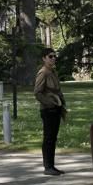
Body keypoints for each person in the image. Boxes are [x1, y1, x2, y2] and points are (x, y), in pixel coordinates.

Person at [34, 47, 67, 175]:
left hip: (56, 109)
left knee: (53, 138)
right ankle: (47, 167)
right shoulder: (43, 72)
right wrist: (51, 103)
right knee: (48, 138)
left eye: (54, 56)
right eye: (50, 56)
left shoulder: (52, 71)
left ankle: (52, 166)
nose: (53, 58)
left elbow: (57, 90)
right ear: (44, 58)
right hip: (48, 110)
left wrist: (61, 103)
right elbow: (37, 93)